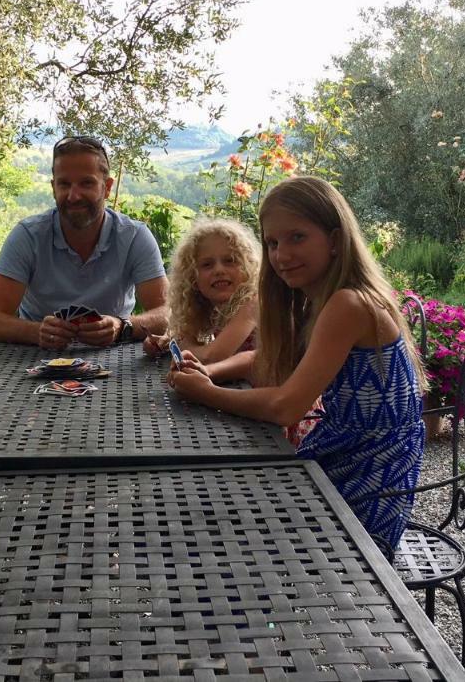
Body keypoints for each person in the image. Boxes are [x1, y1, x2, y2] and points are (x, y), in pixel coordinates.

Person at [167, 176, 426, 554]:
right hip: (345, 462)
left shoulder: (349, 305)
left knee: (212, 523)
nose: (281, 255)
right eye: (272, 242)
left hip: (366, 492)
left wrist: (208, 394)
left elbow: (286, 407)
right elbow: (266, 365)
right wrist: (209, 374)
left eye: (297, 237)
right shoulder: (319, 301)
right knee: (215, 507)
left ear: (335, 240)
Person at [0, 135, 168, 349]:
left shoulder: (134, 236)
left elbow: (168, 313)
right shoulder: (28, 236)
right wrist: (37, 332)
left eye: (86, 183)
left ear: (107, 187)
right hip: (35, 359)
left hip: (117, 360)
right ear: (53, 187)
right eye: (64, 184)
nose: (73, 196)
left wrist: (121, 327)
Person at [142, 217, 260, 381]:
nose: (219, 269)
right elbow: (188, 335)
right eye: (207, 265)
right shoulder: (213, 306)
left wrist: (176, 345)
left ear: (249, 267)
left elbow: (212, 357)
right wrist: (166, 341)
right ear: (192, 278)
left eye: (230, 261)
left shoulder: (254, 303)